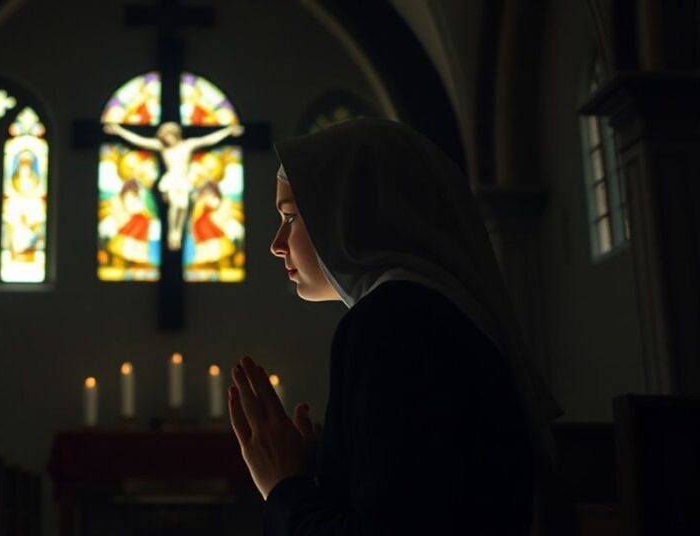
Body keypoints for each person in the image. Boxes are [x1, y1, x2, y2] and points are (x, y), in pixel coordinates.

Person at [228, 118, 562, 535]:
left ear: (353, 209)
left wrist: (283, 487)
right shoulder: (435, 311)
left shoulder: (391, 323)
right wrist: (324, 475)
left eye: (291, 215)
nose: (277, 244)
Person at [103, 121, 244, 250]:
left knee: (183, 206)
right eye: (163, 137)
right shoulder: (162, 147)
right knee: (175, 205)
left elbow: (208, 140)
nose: (166, 140)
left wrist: (228, 131)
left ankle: (178, 233)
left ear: (175, 134)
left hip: (183, 180)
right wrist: (119, 130)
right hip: (171, 179)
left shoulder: (188, 145)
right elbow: (139, 140)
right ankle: (172, 233)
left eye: (168, 136)